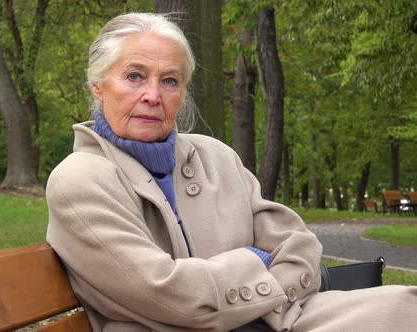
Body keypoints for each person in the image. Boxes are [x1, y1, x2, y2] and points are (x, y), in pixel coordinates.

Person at [46, 12, 417, 332]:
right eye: (134, 76)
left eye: (170, 80)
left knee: (406, 307)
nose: (153, 95)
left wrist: (251, 289)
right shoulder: (79, 180)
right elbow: (165, 293)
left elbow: (299, 247)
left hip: (276, 320)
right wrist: (257, 260)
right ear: (98, 85)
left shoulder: (216, 156)